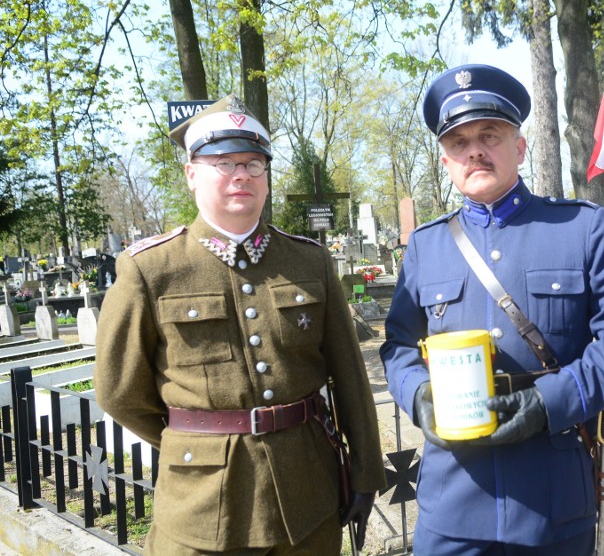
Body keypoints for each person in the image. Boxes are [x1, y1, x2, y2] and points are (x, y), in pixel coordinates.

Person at [380, 64, 604, 555]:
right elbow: (397, 348)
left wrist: (550, 401)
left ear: (520, 147)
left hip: (553, 496)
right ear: (446, 161)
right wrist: (418, 394)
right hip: (452, 503)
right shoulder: (426, 248)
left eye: (489, 134)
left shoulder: (579, 229)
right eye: (458, 143)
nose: (474, 150)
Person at [94, 95, 386, 555]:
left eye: (254, 164)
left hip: (308, 494)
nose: (242, 175)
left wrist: (365, 472)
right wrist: (197, 437)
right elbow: (119, 391)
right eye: (224, 162)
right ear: (192, 174)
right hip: (202, 508)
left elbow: (349, 377)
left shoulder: (308, 260)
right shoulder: (151, 268)